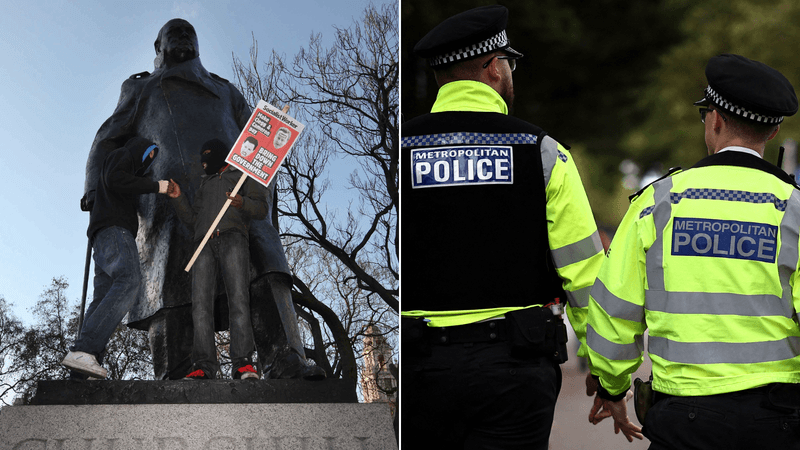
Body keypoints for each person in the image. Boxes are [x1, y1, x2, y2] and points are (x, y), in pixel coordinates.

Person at [400, 6, 604, 449]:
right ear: (494, 67)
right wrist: (606, 375)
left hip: (417, 370)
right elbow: (585, 274)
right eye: (510, 63)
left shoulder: (398, 151)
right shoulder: (542, 151)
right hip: (514, 372)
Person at [82, 18, 324, 380]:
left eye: (188, 32)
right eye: (173, 33)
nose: (182, 36)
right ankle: (179, 368)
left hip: (235, 194)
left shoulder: (226, 91)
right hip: (171, 199)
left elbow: (255, 137)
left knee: (264, 264)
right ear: (158, 47)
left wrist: (262, 189)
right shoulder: (142, 88)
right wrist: (93, 189)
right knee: (173, 279)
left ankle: (284, 357)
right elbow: (107, 139)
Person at [586, 53, 800, 448]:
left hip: (683, 419)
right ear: (772, 133)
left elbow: (615, 313)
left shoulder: (656, 204)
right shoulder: (794, 209)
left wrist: (611, 387)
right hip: (775, 419)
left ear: (714, 119)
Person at [63, 137, 171, 378]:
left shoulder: (121, 170)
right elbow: (116, 180)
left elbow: (120, 184)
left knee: (101, 298)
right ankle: (85, 349)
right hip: (115, 231)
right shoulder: (122, 156)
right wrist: (158, 186)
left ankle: (81, 367)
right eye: (149, 156)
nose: (149, 163)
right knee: (129, 281)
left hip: (102, 238)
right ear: (139, 151)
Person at [168, 138, 263, 380]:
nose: (203, 162)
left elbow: (261, 209)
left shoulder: (242, 175)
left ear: (221, 154)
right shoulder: (205, 184)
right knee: (200, 306)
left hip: (233, 238)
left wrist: (242, 203)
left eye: (208, 155)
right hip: (202, 245)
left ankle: (243, 363)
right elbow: (192, 221)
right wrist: (179, 198)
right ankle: (204, 365)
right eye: (201, 157)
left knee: (239, 299)